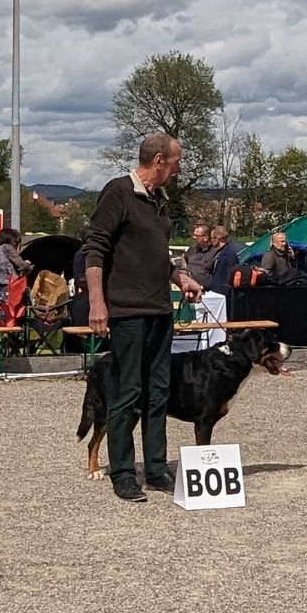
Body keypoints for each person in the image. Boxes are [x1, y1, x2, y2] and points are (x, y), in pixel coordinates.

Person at [83, 133, 203, 502]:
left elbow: (155, 253)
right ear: (157, 161)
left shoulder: (159, 200)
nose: (179, 169)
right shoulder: (118, 193)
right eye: (176, 162)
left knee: (158, 393)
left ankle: (156, 468)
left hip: (158, 310)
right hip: (127, 312)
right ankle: (122, 472)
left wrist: (179, 276)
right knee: (127, 391)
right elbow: (94, 249)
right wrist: (97, 303)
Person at [0, 228, 33, 321]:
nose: (15, 243)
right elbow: (21, 265)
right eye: (14, 240)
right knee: (15, 316)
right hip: (11, 287)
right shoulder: (7, 248)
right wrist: (28, 264)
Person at [184, 224, 216, 290]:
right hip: (190, 289)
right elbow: (184, 261)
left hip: (208, 291)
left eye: (196, 236)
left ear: (205, 238)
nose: (193, 237)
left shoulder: (215, 252)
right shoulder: (192, 249)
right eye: (194, 235)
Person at [209, 225, 239, 294]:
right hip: (215, 292)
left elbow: (230, 275)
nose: (211, 240)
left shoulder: (230, 254)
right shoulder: (218, 252)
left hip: (224, 294)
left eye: (212, 238)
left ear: (218, 238)